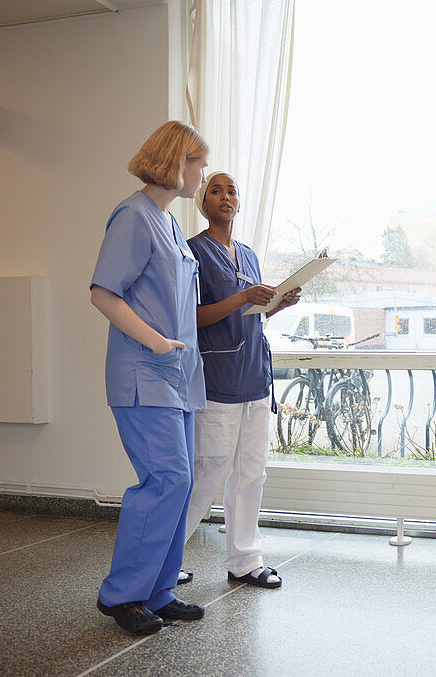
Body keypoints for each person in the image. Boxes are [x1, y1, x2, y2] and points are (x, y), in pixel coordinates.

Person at [89, 121, 209, 636]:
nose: (203, 175)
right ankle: (122, 595)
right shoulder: (134, 216)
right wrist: (156, 342)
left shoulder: (170, 225)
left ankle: (158, 591)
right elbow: (102, 292)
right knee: (167, 479)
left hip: (176, 379)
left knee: (180, 486)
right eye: (199, 164)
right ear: (176, 162)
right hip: (144, 375)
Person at [180, 170, 300, 589]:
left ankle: (245, 561)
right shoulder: (192, 252)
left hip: (254, 376)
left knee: (252, 471)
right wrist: (244, 297)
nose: (225, 196)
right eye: (216, 190)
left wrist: (278, 304)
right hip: (219, 377)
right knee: (209, 471)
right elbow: (193, 316)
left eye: (232, 191)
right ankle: (165, 559)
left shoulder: (248, 255)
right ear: (203, 201)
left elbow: (252, 314)